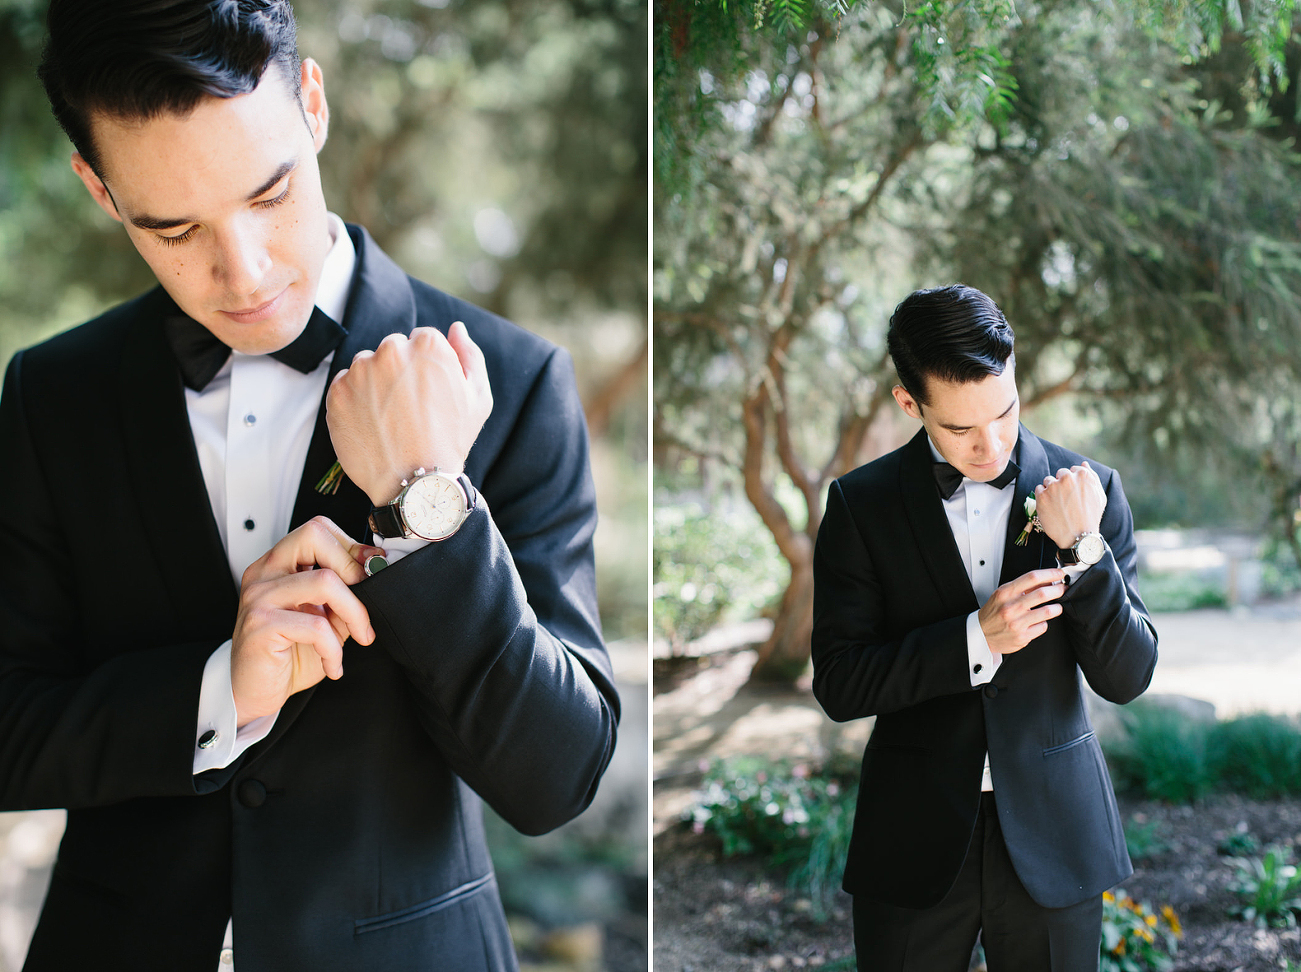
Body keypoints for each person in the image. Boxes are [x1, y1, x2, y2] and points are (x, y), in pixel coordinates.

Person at [0, 2, 620, 969]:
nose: (241, 273)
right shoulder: (50, 395)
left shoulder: (511, 377)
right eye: (172, 230)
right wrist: (216, 691)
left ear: (315, 104)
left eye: (270, 193)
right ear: (98, 189)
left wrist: (426, 503)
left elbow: (556, 778)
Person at [811, 285, 1158, 971]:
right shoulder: (860, 505)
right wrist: (975, 640)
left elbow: (1127, 676)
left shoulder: (1090, 490)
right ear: (908, 405)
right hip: (910, 837)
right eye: (960, 430)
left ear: (1015, 375)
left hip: (1055, 834)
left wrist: (1085, 550)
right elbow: (841, 684)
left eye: (1003, 413)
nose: (990, 444)